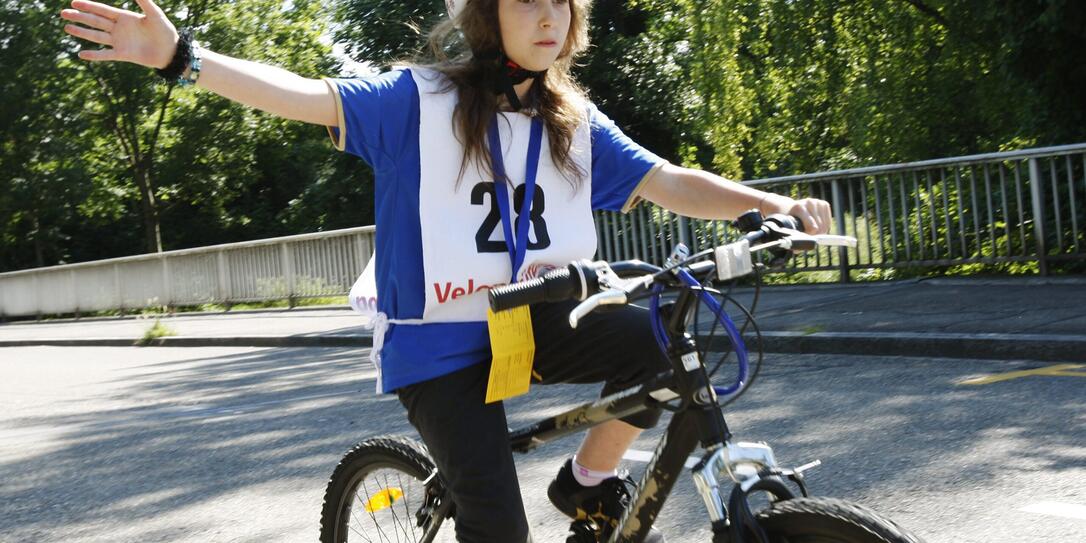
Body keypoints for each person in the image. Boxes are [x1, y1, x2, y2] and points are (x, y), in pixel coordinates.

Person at [61, 0, 834, 541]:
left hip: (534, 318)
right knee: (498, 525)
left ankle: (587, 486)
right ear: (484, 16)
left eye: (562, 4)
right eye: (526, 1)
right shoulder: (416, 102)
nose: (548, 17)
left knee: (658, 344)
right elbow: (305, 96)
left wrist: (766, 205)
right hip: (436, 343)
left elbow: (667, 181)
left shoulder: (572, 119)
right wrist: (183, 57)